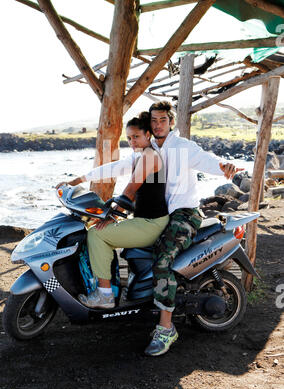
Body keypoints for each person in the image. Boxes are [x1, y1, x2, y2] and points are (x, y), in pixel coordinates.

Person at [143, 101, 243, 356]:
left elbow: (207, 160)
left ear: (171, 122)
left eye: (162, 120)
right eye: (153, 120)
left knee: (162, 262)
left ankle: (166, 329)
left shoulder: (183, 147)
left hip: (184, 215)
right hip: (160, 216)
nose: (157, 125)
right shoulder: (150, 147)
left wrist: (225, 167)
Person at [56, 112, 169, 310]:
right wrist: (76, 181)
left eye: (136, 137)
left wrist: (113, 214)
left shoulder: (149, 156)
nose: (132, 141)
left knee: (96, 235)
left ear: (147, 136)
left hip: (151, 224)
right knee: (99, 228)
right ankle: (107, 286)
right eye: (129, 137)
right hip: (146, 221)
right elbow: (111, 168)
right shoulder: (140, 155)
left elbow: (130, 190)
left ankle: (105, 295)